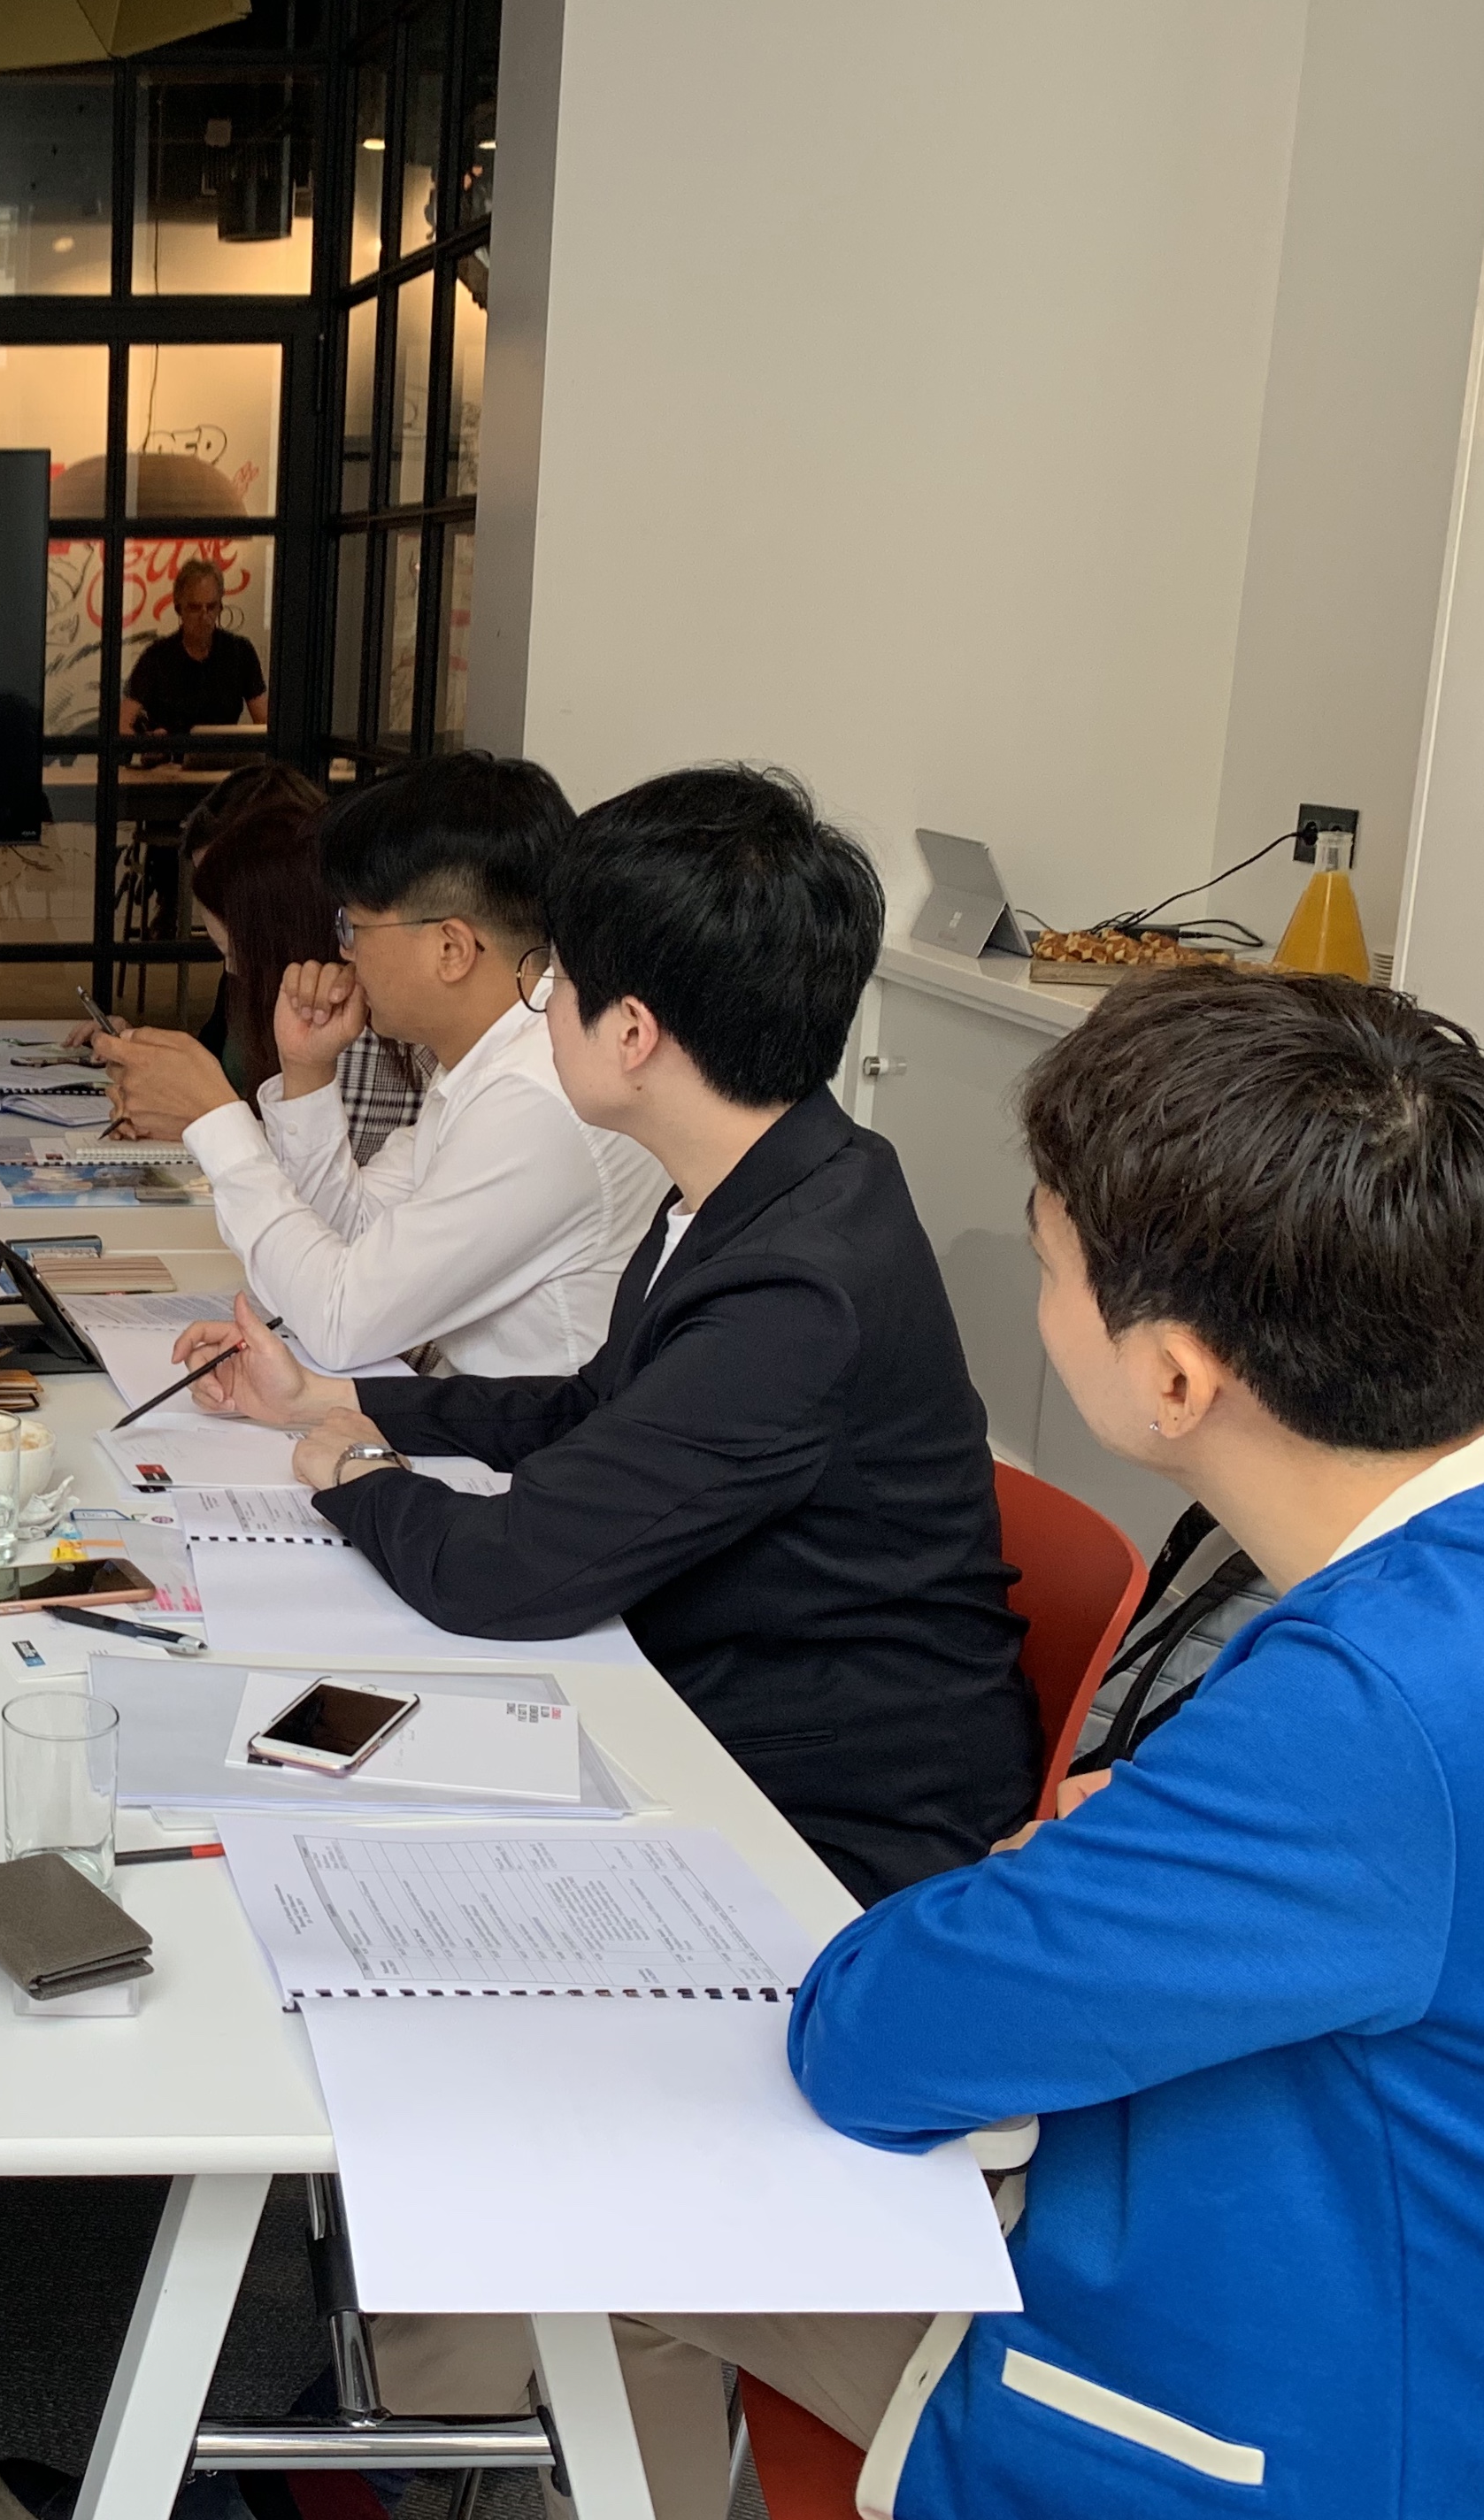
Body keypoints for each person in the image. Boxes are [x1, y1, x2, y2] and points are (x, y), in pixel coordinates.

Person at [394, 966, 1484, 2517]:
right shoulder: (1407, 1623)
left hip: (1271, 2397)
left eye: (1045, 1261)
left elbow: (876, 2036)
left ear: (1173, 1376)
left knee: (601, 2210)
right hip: (1358, 2254)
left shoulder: (1364, 1711)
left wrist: (1074, 1872)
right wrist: (1143, 1859)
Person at [180, 765, 1034, 1897]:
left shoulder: (797, 1287)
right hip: (710, 1694)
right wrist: (329, 1400)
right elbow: (593, 1404)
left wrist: (356, 1473)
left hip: (822, 1809)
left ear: (631, 1031)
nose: (538, 1008)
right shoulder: (776, 1176)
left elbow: (509, 1570)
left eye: (554, 980)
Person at [96, 753, 665, 1379]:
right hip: (472, 1413)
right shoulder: (493, 1057)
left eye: (354, 925)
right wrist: (307, 1074)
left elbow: (343, 1323)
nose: (344, 952)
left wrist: (217, 1122)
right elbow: (353, 1239)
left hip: (532, 1435)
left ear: (450, 948)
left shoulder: (535, 1095)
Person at [168, 764, 427, 1164]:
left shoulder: (356, 1025)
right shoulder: (288, 987)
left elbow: (315, 1187)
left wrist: (206, 1121)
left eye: (239, 952)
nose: (233, 970)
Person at [117, 557, 265, 737]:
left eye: (211, 607)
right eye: (195, 608)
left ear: (220, 607)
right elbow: (121, 725)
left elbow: (264, 723)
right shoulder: (156, 657)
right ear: (179, 608)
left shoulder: (240, 652)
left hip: (222, 755)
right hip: (169, 755)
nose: (204, 617)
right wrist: (148, 745)